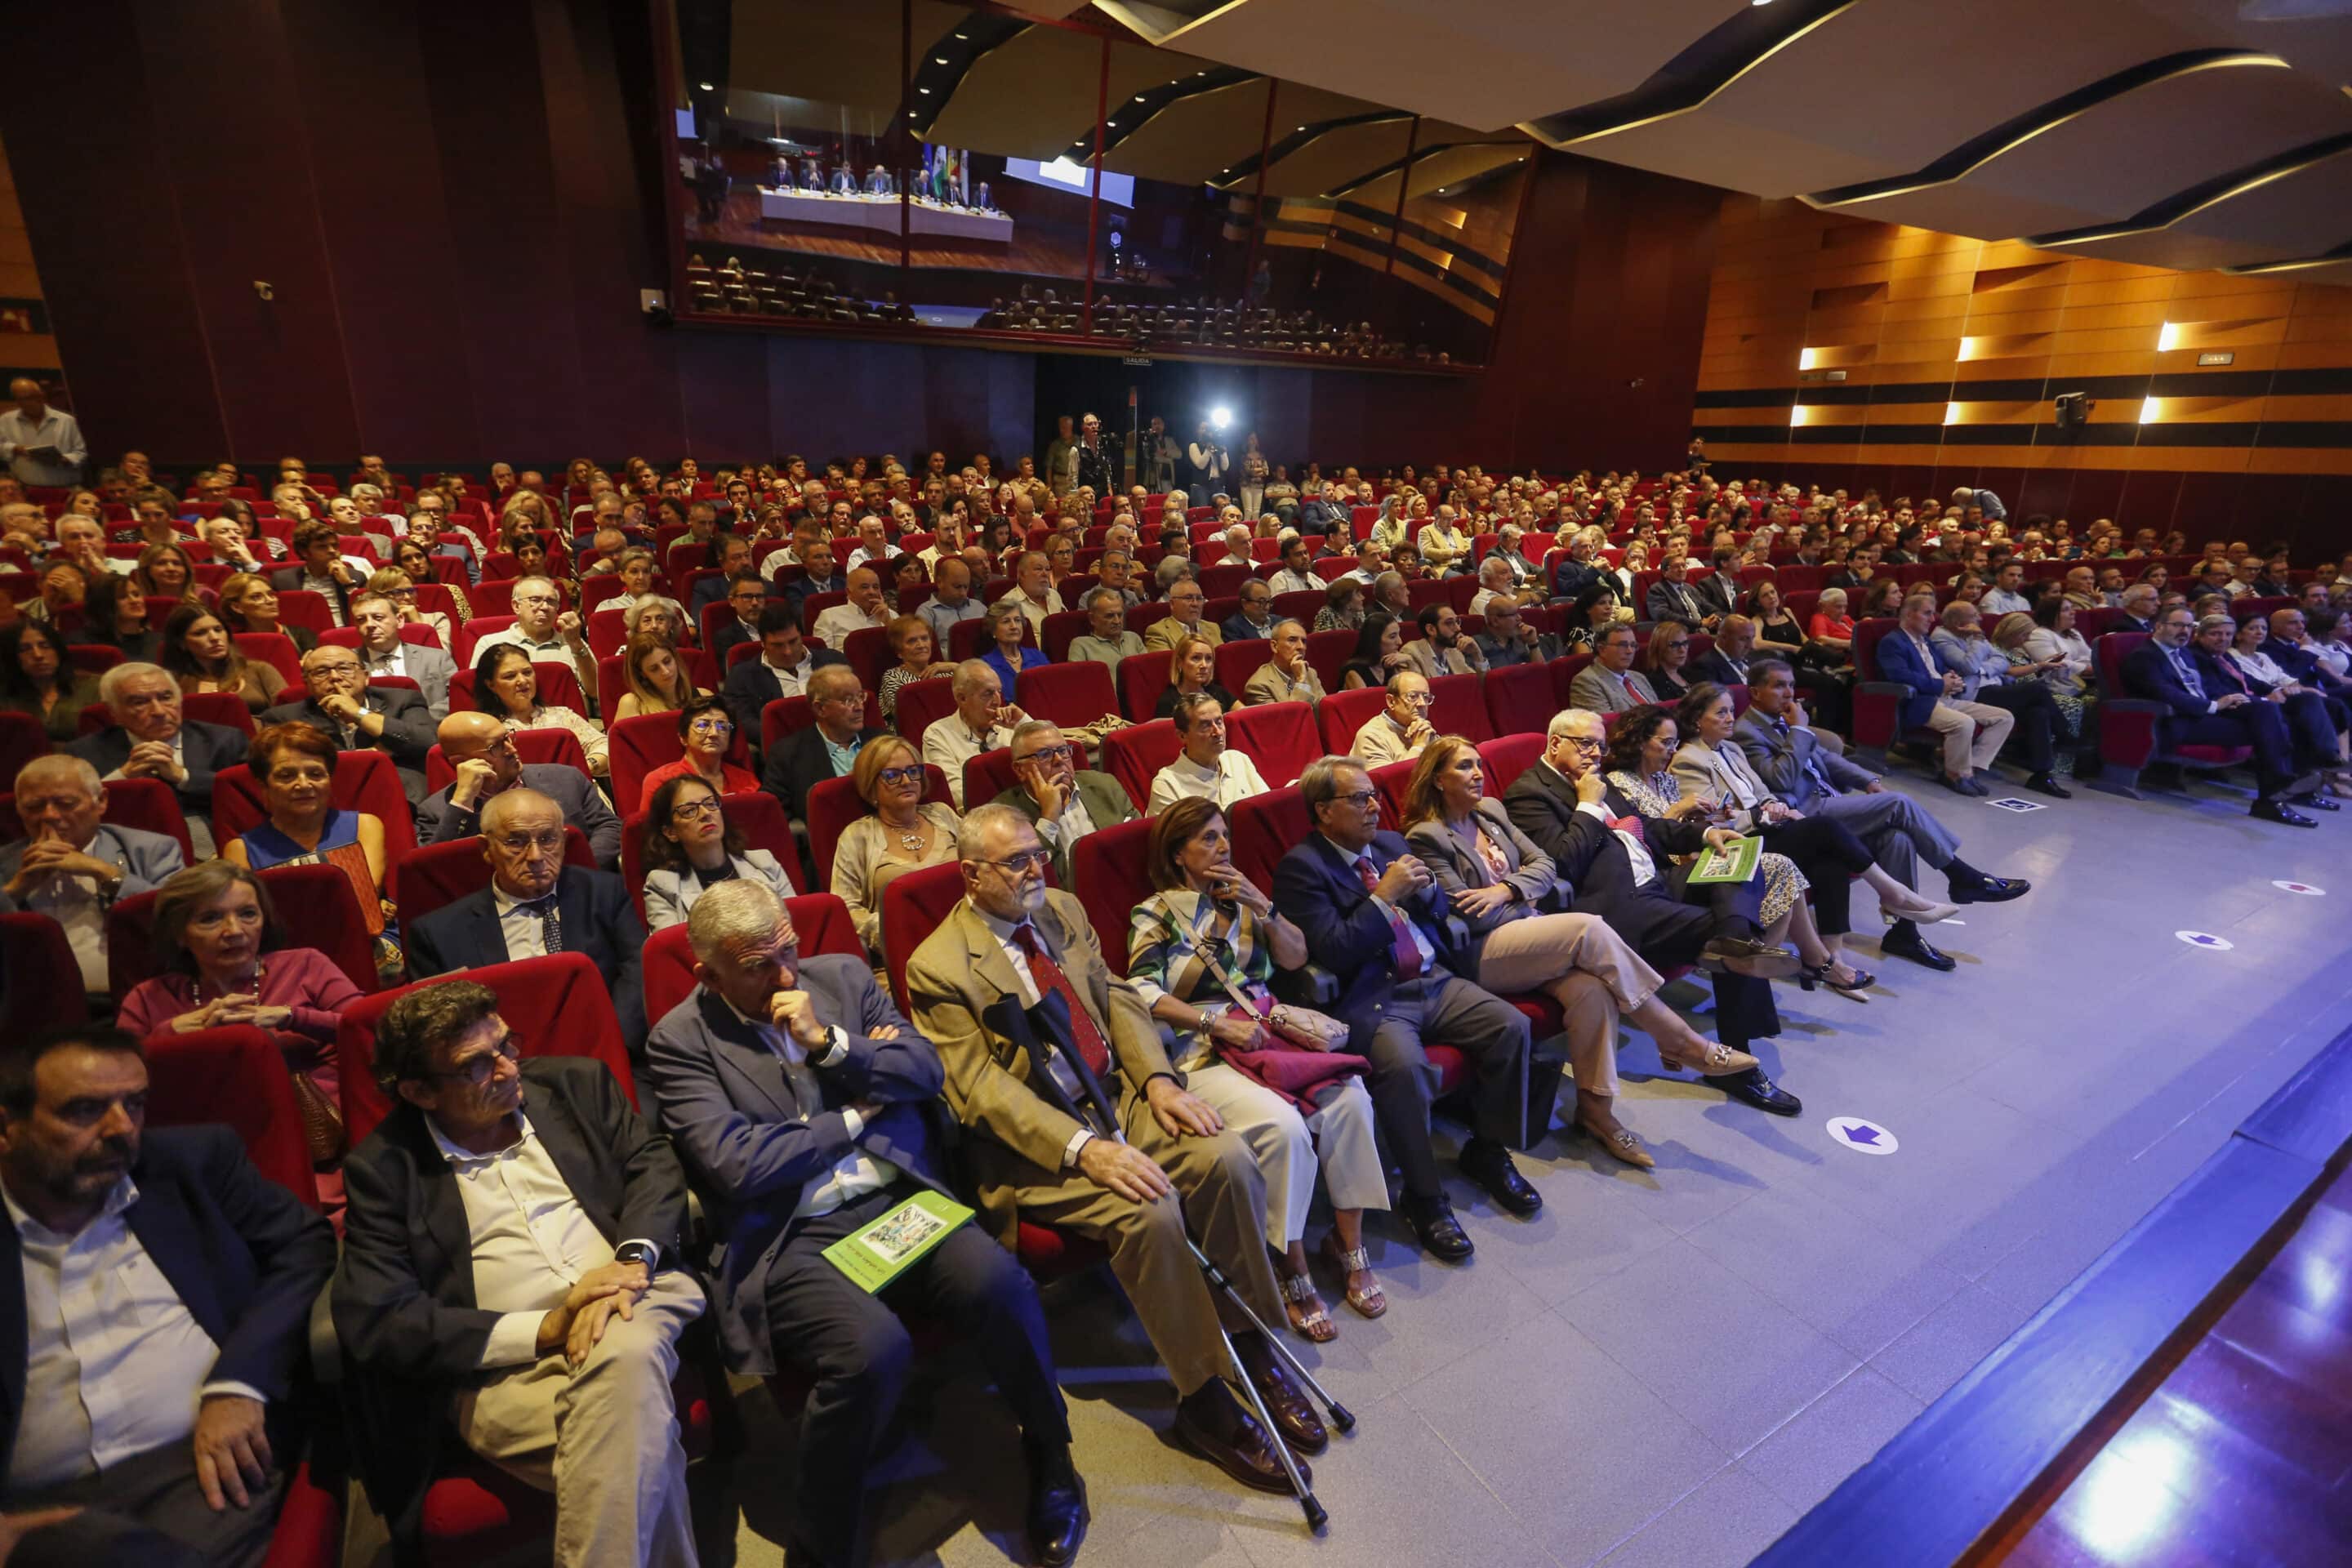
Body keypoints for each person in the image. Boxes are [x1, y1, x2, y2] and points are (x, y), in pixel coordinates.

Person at [644, 883, 1087, 1566]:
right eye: (760, 966)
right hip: (795, 1232)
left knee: (1002, 1284)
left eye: (788, 950)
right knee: (870, 1351)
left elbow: (922, 1070)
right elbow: (737, 1166)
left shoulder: (843, 979)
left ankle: (1051, 1451)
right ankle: (823, 1543)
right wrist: (854, 1114)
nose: (786, 975)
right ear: (709, 973)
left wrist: (829, 1044)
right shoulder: (681, 1040)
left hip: (898, 1198)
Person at [906, 804, 1324, 1494]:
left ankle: (1251, 1340)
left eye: (1038, 854)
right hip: (1041, 1140)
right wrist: (1082, 1150)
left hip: (1117, 1096)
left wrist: (1157, 1080)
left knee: (1227, 1159)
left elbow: (1119, 997)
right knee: (1152, 1210)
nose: (1036, 870)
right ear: (971, 874)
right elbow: (978, 1091)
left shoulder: (1062, 909)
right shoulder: (940, 965)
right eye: (1016, 863)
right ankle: (1205, 1399)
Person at [331, 981, 704, 1566]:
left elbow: (652, 1167)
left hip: (638, 1295)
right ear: (418, 1091)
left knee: (623, 1347)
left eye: (507, 1045)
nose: (507, 1068)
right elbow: (380, 1318)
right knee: (635, 1437)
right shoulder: (385, 1170)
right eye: (476, 1065)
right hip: (503, 1373)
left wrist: (629, 1260)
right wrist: (551, 1326)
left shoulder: (577, 1086)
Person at [0, 1022, 336, 1567]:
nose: (121, 1129)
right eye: (85, 1110)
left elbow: (304, 1245)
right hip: (31, 1506)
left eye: (135, 1104)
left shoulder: (190, 1164)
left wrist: (240, 1382)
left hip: (203, 1473)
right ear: (8, 1128)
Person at [1401, 737, 1744, 1167]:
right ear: (1437, 780)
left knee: (1593, 992)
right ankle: (1679, 1040)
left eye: (1478, 764)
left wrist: (1506, 889)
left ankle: (1597, 1113)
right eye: (1463, 767)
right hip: (1482, 954)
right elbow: (1466, 915)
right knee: (1587, 928)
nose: (1477, 773)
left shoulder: (1490, 811)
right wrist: (1522, 903)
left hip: (1533, 936)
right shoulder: (1426, 837)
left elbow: (1545, 865)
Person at [1126, 799, 1388, 1334]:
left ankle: (1348, 1243)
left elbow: (1293, 959)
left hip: (1267, 1037)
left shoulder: (1244, 901)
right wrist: (1212, 1024)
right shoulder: (1155, 911)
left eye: (1225, 835)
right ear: (1178, 854)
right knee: (1285, 1128)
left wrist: (1263, 905)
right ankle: (1289, 1263)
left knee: (1352, 1099)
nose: (1223, 847)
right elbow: (1137, 989)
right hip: (1202, 1051)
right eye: (1207, 839)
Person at [1272, 756, 1537, 1260]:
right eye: (1359, 799)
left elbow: (1438, 912)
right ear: (1324, 811)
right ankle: (1425, 1198)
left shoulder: (1392, 844)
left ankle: (1486, 1149)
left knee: (1512, 1026)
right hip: (1375, 996)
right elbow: (1332, 950)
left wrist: (1431, 889)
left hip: (1432, 978)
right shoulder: (1302, 868)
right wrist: (1383, 896)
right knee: (1406, 1066)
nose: (1375, 806)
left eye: (1374, 795)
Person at [1499, 710, 1799, 1116]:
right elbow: (1562, 863)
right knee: (1738, 936)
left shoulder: (1598, 779)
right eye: (1584, 743)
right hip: (1616, 905)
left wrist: (1705, 833)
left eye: (1599, 745)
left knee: (1741, 863)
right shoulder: (1529, 793)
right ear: (1555, 744)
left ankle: (1735, 940)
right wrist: (1588, 805)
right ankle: (1735, 1056)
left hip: (1656, 880)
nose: (1594, 753)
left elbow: (1646, 828)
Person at [1735, 661, 2028, 971]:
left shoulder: (1783, 721)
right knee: (1898, 804)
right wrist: (1799, 730)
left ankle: (1904, 932)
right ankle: (1961, 875)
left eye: (1791, 685)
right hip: (1804, 815)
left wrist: (1868, 781)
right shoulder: (1747, 731)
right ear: (1755, 692)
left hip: (1826, 802)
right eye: (1779, 685)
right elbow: (1780, 779)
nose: (1788, 693)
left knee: (1897, 838)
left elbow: (1828, 760)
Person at [117, 859, 363, 1176]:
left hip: (322, 1140)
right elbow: (115, 1083)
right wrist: (171, 1034)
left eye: (248, 914)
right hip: (206, 1147)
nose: (234, 931)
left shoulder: (305, 965)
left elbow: (370, 1029)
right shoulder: (148, 998)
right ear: (180, 934)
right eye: (210, 918)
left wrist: (292, 1016)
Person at [405, 790, 650, 1048]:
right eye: (516, 842)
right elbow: (442, 1029)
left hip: (607, 1050)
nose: (535, 856)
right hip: (499, 1072)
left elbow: (637, 974)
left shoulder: (605, 894)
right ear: (486, 849)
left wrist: (609, 1043)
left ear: (564, 841)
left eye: (547, 839)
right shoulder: (439, 934)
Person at [0, 755, 185, 998]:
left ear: (100, 801)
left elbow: (179, 922)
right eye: (34, 807)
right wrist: (15, 890)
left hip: (134, 999)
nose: (50, 815)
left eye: (66, 803)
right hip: (31, 1007)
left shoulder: (152, 850)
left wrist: (103, 872)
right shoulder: (5, 863)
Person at [220, 722, 396, 969]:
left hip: (368, 944)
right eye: (286, 775)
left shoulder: (365, 826)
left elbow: (362, 899)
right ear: (264, 786)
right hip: (287, 956)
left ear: (330, 779)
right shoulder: (239, 849)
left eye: (315, 774)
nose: (303, 784)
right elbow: (254, 922)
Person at [69, 662, 248, 851]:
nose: (159, 712)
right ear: (114, 712)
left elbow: (246, 796)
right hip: (126, 849)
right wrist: (122, 778)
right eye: (139, 702)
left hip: (215, 847)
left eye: (166, 698)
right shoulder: (83, 754)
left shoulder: (225, 740)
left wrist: (182, 776)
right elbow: (73, 813)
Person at [415, 711, 622, 866]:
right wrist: (462, 802)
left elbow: (609, 828)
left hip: (580, 890)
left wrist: (574, 872)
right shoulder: (436, 812)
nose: (512, 749)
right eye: (495, 747)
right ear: (461, 761)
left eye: (507, 737)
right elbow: (437, 867)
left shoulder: (566, 778)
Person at [1874, 594, 2017, 796]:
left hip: (1945, 698)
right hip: (1919, 701)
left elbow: (1940, 667)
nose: (1932, 620)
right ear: (1908, 614)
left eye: (1933, 614)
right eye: (1927, 614)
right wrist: (1941, 684)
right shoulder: (1893, 642)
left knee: (2003, 718)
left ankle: (1970, 771)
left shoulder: (1925, 641)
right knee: (1964, 723)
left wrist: (1951, 677)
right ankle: (1954, 775)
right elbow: (1899, 676)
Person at [831, 735, 961, 956]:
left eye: (913, 771)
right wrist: (898, 927)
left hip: (967, 936)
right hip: (906, 951)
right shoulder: (857, 836)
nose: (906, 781)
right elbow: (845, 908)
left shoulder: (943, 814)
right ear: (870, 784)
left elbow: (983, 864)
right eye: (892, 775)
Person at [259, 644, 436, 805]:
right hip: (325, 801)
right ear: (307, 684)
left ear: (365, 676)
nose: (335, 677)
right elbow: (276, 768)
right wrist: (365, 757)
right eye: (321, 672)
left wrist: (359, 714)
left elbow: (427, 741)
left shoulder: (402, 699)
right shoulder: (282, 718)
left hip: (401, 796)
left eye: (345, 668)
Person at [1930, 600, 2070, 796]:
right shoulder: (1942, 638)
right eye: (1973, 615)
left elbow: (2002, 662)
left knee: (2039, 713)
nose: (1979, 618)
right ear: (1956, 622)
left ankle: (2041, 775)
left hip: (1994, 688)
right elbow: (1968, 667)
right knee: (2037, 690)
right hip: (1974, 693)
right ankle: (2065, 736)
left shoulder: (1971, 633)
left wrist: (1982, 669)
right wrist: (1979, 644)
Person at [639, 775, 795, 931]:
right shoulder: (662, 886)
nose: (706, 813)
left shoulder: (764, 863)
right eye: (689, 811)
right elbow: (672, 951)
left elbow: (797, 925)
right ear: (671, 832)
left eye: (710, 803)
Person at [991, 719, 1138, 883]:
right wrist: (1049, 817)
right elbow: (1024, 875)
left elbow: (1139, 841)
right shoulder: (1004, 816)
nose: (1059, 759)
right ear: (1020, 770)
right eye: (1044, 755)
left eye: (1063, 750)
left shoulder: (1104, 785)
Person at [761, 664, 881, 826]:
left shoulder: (884, 742)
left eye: (860, 697)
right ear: (820, 708)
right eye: (848, 700)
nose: (859, 707)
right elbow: (774, 815)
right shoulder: (788, 754)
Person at [466, 643, 610, 777]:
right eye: (510, 676)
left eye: (527, 672)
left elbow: (605, 745)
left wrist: (586, 766)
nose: (523, 681)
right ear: (491, 684)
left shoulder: (562, 715)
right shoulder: (486, 729)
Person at [719, 607, 845, 737]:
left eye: (793, 641)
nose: (788, 651)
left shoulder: (834, 661)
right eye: (777, 645)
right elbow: (743, 723)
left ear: (801, 636)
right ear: (762, 643)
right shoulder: (742, 676)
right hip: (784, 746)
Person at [472, 576, 598, 698]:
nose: (544, 607)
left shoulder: (573, 643)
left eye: (551, 601)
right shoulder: (490, 643)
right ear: (516, 606)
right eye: (535, 600)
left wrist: (576, 644)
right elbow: (478, 694)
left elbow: (595, 691)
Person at [922, 661, 1025, 809]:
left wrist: (1022, 723)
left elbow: (1047, 757)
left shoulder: (1010, 725)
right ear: (962, 698)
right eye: (988, 693)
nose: (998, 701)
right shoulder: (938, 734)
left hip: (1022, 812)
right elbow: (958, 797)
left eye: (999, 691)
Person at [1148, 692, 1272, 812]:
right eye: (1205, 726)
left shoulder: (1239, 760)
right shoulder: (1167, 784)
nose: (1218, 732)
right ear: (1182, 736)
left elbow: (1268, 809)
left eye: (1219, 722)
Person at [635, 694, 757, 813]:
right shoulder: (662, 781)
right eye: (703, 725)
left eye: (722, 727)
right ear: (683, 737)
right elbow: (650, 830)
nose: (714, 733)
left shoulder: (747, 781)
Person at [346, 591, 455, 719]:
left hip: (431, 730)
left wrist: (416, 722)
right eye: (361, 620)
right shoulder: (347, 664)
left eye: (378, 617)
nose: (369, 625)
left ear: (399, 620)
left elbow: (455, 699)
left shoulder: (437, 658)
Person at [0, 619, 105, 742]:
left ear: (58, 651)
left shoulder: (95, 686)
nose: (38, 655)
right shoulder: (4, 696)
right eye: (25, 649)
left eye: (45, 646)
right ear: (12, 657)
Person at [0, 375, 87, 486]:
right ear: (17, 401)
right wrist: (14, 449)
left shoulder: (66, 420)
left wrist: (64, 460)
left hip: (65, 487)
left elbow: (81, 453)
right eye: (26, 398)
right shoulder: (6, 420)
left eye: (36, 396)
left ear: (42, 396)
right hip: (26, 488)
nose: (33, 401)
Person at [611, 633, 704, 724]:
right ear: (642, 674)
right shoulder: (632, 704)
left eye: (667, 661)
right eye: (654, 669)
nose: (666, 671)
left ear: (675, 658)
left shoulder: (704, 695)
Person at [1569, 623, 1659, 715]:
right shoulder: (1586, 682)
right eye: (1623, 645)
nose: (1630, 651)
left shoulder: (1639, 677)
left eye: (1633, 645)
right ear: (1602, 649)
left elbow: (1660, 708)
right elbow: (1606, 724)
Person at [1351, 669, 1436, 764]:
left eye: (1426, 697)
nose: (1422, 703)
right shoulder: (1371, 736)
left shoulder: (1423, 728)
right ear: (1391, 701)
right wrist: (1418, 747)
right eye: (1413, 697)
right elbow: (1390, 778)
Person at [1242, 618, 1325, 706]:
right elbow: (1292, 717)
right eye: (1292, 640)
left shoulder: (1310, 673)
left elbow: (1324, 709)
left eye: (1304, 641)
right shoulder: (1259, 686)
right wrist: (1301, 682)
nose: (1301, 647)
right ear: (1275, 646)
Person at [1067, 586, 1145, 676]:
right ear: (1092, 619)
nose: (1117, 621)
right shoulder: (1081, 645)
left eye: (1120, 615)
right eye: (1109, 616)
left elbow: (1148, 672)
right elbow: (1077, 683)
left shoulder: (1133, 638)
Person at [977, 598, 1048, 697]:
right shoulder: (985, 666)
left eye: (1018, 620)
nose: (1014, 626)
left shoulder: (1038, 656)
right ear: (993, 631)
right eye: (1006, 621)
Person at [1400, 603, 1486, 679]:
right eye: (1449, 623)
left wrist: (1477, 654)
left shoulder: (1453, 651)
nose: (1458, 628)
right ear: (1431, 629)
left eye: (1457, 622)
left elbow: (1479, 685)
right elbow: (1418, 691)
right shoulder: (1412, 652)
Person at [1336, 613, 1409, 692]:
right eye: (1392, 637)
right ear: (1374, 640)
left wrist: (1410, 661)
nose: (1400, 642)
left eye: (1399, 635)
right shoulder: (1354, 671)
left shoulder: (1392, 663)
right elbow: (1366, 702)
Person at [1143, 578, 1218, 653]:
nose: (1195, 604)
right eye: (1188, 598)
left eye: (1199, 598)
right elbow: (1166, 664)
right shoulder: (1158, 632)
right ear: (1172, 604)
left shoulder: (1213, 628)